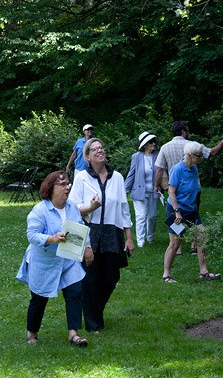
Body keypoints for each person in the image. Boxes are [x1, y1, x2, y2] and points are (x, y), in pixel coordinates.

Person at [16, 171, 93, 346]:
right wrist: (51, 238)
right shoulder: (40, 210)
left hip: (67, 260)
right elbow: (32, 235)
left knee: (75, 292)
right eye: (63, 184)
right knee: (39, 298)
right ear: (51, 188)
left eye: (68, 184)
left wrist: (87, 247)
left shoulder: (72, 207)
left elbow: (80, 228)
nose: (68, 188)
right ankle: (32, 334)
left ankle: (74, 334)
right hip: (44, 262)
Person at [69, 137, 135, 332]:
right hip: (89, 232)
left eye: (101, 148)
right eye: (94, 149)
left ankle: (95, 310)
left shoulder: (118, 178)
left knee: (110, 277)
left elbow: (124, 209)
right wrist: (90, 207)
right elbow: (72, 209)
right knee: (90, 279)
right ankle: (93, 323)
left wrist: (129, 236)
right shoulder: (81, 177)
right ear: (88, 157)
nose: (100, 151)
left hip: (112, 232)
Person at [154, 120, 223, 254]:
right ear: (183, 132)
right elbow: (211, 153)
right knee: (192, 215)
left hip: (175, 187)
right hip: (191, 189)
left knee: (177, 219)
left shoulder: (165, 147)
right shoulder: (193, 146)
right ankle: (193, 246)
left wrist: (157, 185)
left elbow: (160, 169)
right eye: (188, 131)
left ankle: (177, 249)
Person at [162, 141, 220, 283]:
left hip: (191, 210)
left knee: (202, 236)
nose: (201, 158)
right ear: (189, 155)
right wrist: (177, 213)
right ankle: (166, 275)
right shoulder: (177, 170)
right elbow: (171, 192)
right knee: (176, 242)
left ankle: (204, 272)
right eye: (198, 156)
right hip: (175, 211)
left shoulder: (193, 167)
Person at [125, 131, 160, 247]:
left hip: (154, 192)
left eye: (154, 141)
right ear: (144, 144)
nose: (153, 144)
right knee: (141, 216)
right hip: (139, 191)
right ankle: (140, 242)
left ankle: (150, 238)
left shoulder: (158, 155)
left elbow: (162, 173)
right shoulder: (136, 157)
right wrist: (124, 190)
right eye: (151, 142)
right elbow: (131, 174)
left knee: (153, 216)